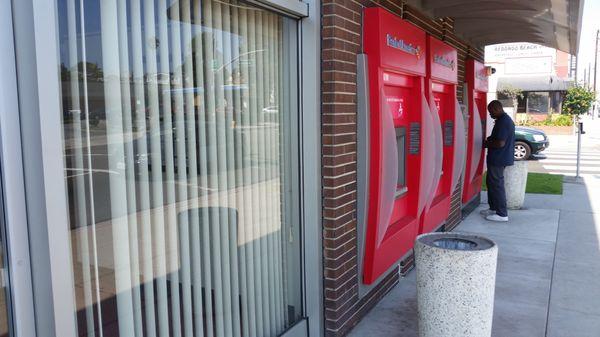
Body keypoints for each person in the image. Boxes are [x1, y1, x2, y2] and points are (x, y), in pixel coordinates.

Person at [480, 100, 515, 222]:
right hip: (498, 158)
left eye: (491, 112)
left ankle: (502, 214)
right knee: (491, 183)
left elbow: (500, 143)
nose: (490, 115)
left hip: (499, 159)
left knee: (497, 185)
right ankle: (493, 208)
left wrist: (486, 143)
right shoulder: (502, 120)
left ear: (496, 109)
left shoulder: (504, 122)